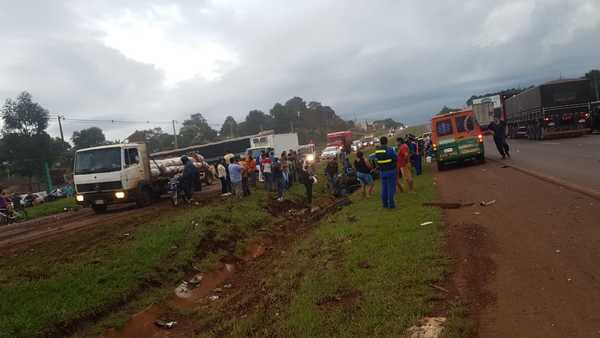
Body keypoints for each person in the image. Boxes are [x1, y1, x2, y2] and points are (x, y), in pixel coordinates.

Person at [373, 136, 398, 209]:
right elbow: (395, 158)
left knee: (384, 189)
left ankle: (385, 204)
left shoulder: (377, 151)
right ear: (387, 141)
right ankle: (391, 205)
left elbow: (376, 160)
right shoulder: (389, 149)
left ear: (380, 142)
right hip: (391, 170)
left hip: (382, 171)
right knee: (391, 189)